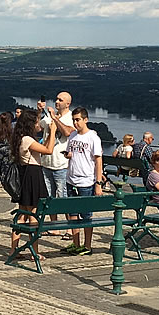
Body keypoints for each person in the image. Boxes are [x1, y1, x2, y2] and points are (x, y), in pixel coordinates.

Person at [8, 109, 55, 257]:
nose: (39, 123)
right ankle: (35, 250)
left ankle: (14, 249)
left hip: (25, 175)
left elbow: (42, 148)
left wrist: (47, 133)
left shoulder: (20, 138)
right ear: (31, 123)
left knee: (22, 214)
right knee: (33, 215)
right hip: (33, 175)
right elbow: (48, 150)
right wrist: (53, 131)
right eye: (37, 121)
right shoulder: (27, 139)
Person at [64, 108, 104, 255]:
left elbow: (98, 160)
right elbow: (70, 153)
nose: (75, 123)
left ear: (85, 119)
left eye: (78, 120)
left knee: (86, 215)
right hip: (71, 179)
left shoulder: (93, 137)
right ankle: (76, 243)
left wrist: (98, 183)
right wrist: (68, 155)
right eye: (74, 120)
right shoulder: (73, 135)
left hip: (86, 180)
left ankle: (87, 246)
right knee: (73, 213)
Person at [38, 95, 74, 231]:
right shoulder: (48, 116)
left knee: (62, 197)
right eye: (56, 99)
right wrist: (39, 111)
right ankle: (54, 226)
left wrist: (54, 118)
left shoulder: (71, 117)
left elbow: (67, 132)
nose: (57, 102)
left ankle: (70, 228)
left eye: (60, 100)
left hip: (61, 165)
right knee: (49, 197)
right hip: (46, 162)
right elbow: (37, 128)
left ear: (68, 103)